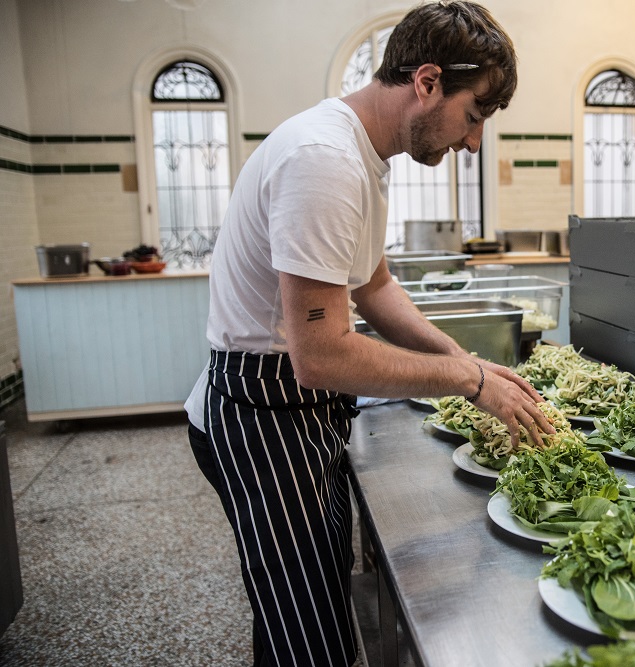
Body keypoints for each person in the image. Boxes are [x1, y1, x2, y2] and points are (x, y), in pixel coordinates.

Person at [183, 3, 555, 665]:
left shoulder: (361, 154)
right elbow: (322, 355)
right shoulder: (325, 161)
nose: (473, 143)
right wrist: (466, 380)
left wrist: (468, 361)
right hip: (260, 415)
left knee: (304, 610)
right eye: (474, 116)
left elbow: (374, 286)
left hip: (293, 410)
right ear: (428, 81)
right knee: (313, 641)